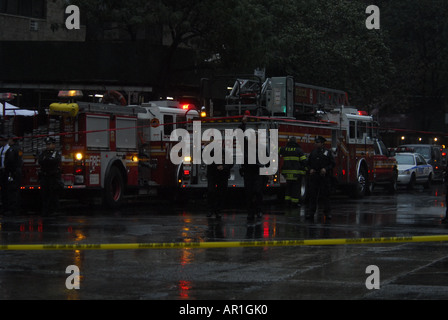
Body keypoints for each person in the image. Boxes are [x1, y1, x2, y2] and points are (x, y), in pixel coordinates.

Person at [306, 136, 335, 220]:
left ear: (322, 143)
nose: (316, 144)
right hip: (315, 177)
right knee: (313, 196)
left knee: (325, 196)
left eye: (317, 142)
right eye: (315, 142)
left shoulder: (327, 152)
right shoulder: (313, 153)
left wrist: (325, 169)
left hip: (324, 177)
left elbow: (332, 164)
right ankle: (311, 213)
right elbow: (308, 163)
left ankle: (327, 213)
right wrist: (310, 169)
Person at [206, 139, 233, 219]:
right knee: (211, 191)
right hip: (212, 175)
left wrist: (223, 167)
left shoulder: (225, 152)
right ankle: (210, 210)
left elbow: (231, 163)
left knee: (221, 193)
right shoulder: (210, 152)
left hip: (222, 175)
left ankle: (218, 211)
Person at [240, 135, 264, 221]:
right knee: (249, 194)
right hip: (248, 173)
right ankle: (250, 213)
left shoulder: (262, 148)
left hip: (258, 173)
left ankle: (258, 211)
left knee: (258, 192)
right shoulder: (247, 149)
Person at [279, 136, 307, 207]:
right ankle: (294, 203)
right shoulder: (299, 150)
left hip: (287, 174)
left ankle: (287, 202)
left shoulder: (284, 149)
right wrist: (306, 169)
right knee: (296, 189)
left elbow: (276, 150)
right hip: (296, 174)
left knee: (288, 189)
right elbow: (304, 161)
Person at [38, 137, 62, 216]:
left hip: (53, 177)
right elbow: (40, 161)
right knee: (45, 195)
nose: (48, 146)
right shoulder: (43, 153)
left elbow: (55, 161)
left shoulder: (56, 153)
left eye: (49, 144)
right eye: (47, 144)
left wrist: (47, 160)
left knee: (53, 194)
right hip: (45, 176)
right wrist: (48, 160)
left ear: (54, 145)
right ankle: (46, 211)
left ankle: (54, 210)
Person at [3, 135, 23, 215]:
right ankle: (16, 208)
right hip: (17, 171)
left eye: (9, 140)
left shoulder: (12, 149)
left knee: (11, 191)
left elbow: (10, 161)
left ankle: (12, 209)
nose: (8, 141)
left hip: (12, 172)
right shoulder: (19, 149)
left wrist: (7, 169)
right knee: (16, 190)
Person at [0, 135, 9, 212]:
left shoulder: (8, 149)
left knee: (6, 189)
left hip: (6, 170)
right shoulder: (1, 149)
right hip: (1, 170)